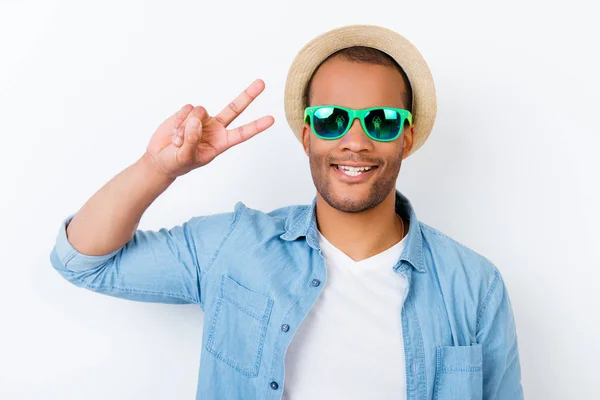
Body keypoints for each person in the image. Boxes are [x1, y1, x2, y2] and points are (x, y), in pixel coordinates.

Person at [50, 25, 523, 400]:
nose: (354, 141)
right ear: (306, 136)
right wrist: (158, 168)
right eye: (332, 120)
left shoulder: (475, 287)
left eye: (380, 121)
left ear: (406, 137)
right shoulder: (235, 246)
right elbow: (82, 260)